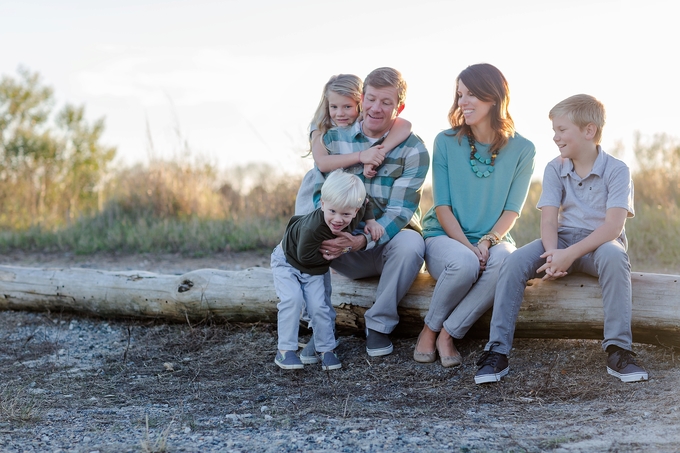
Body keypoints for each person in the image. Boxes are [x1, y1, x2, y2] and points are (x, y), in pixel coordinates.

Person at [474, 94, 648, 384]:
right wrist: (555, 254)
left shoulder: (617, 170)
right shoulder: (555, 168)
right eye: (554, 130)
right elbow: (548, 220)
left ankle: (619, 350)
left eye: (562, 130)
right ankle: (497, 351)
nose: (555, 137)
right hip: (562, 240)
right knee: (514, 261)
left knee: (616, 256)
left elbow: (613, 228)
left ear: (588, 130)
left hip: (600, 246)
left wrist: (570, 255)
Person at [413, 63, 536, 367]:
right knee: (465, 264)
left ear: (493, 98)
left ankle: (447, 333)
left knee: (508, 261)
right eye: (459, 95)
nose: (462, 102)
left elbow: (512, 210)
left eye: (471, 95)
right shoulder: (445, 141)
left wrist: (488, 241)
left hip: (494, 238)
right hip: (444, 235)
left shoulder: (524, 149)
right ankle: (428, 329)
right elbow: (442, 207)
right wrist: (469, 247)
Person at [312, 67, 430, 357]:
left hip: (384, 246)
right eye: (372, 99)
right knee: (305, 236)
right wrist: (334, 235)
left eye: (386, 102)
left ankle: (379, 325)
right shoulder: (333, 141)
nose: (377, 108)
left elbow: (401, 211)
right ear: (362, 98)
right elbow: (318, 194)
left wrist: (362, 240)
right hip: (339, 243)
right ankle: (318, 326)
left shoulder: (413, 150)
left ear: (398, 107)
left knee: (411, 243)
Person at [272, 169, 384, 371]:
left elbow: (367, 202)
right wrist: (341, 251)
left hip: (312, 265)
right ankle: (285, 351)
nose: (338, 220)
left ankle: (327, 350)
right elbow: (305, 257)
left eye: (346, 214)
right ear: (322, 204)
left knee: (319, 305)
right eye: (332, 211)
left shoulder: (356, 211)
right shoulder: (312, 227)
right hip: (288, 261)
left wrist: (371, 221)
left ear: (355, 211)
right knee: (293, 299)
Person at [295, 74, 412, 215]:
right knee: (307, 229)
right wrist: (362, 157)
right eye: (334, 107)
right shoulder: (322, 124)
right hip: (321, 185)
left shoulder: (364, 120)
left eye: (347, 106)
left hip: (349, 188)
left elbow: (405, 125)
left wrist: (377, 154)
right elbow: (322, 163)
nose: (340, 113)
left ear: (360, 103)